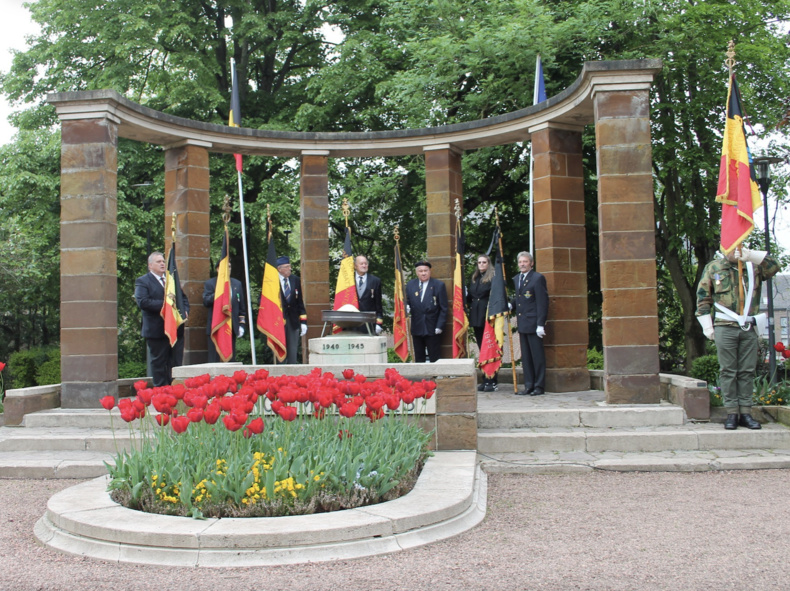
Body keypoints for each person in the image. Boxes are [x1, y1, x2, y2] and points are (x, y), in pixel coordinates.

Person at [696, 246, 781, 430]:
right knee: (728, 371)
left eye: (739, 245)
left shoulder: (753, 267)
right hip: (725, 327)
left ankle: (746, 413)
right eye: (731, 246)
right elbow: (703, 298)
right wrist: (707, 326)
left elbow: (775, 266)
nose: (735, 249)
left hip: (748, 326)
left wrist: (751, 256)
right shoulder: (714, 268)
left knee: (747, 371)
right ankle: (732, 413)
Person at [134, 251, 190, 387]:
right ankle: (161, 393)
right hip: (157, 330)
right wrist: (166, 305)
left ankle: (175, 391)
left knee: (175, 362)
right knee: (159, 363)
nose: (162, 264)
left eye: (163, 261)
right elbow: (143, 302)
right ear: (150, 265)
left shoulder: (171, 280)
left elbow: (183, 299)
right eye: (158, 262)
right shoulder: (143, 281)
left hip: (175, 329)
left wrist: (185, 310)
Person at [510, 251, 548, 396]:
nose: (522, 264)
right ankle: (529, 385)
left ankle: (538, 386)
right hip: (523, 323)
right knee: (526, 357)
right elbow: (520, 298)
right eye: (520, 262)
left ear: (531, 263)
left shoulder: (537, 278)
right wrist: (510, 305)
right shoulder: (517, 278)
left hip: (533, 323)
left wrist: (540, 324)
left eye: (525, 262)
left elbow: (542, 302)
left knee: (537, 356)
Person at [202, 262, 247, 362]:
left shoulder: (236, 284)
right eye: (225, 267)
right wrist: (219, 293)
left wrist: (241, 325)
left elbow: (241, 308)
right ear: (218, 269)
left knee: (230, 359)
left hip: (231, 326)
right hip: (216, 328)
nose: (228, 269)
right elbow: (206, 301)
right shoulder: (210, 283)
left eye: (230, 267)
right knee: (215, 360)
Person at [405, 261, 448, 362]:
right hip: (417, 325)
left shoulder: (438, 285)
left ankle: (435, 376)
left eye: (425, 271)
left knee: (434, 355)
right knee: (419, 356)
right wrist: (406, 306)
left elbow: (444, 308)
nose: (423, 273)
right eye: (420, 271)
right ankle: (421, 377)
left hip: (432, 326)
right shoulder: (411, 285)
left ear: (430, 271)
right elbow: (407, 301)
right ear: (417, 272)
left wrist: (439, 326)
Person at [468, 254, 498, 391]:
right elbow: (470, 297)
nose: (481, 264)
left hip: (487, 316)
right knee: (482, 349)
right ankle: (484, 378)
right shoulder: (475, 278)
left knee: (490, 348)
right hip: (476, 316)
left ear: (489, 263)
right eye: (479, 262)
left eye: (484, 262)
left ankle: (492, 380)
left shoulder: (493, 277)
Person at [277, 256, 307, 364]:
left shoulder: (295, 280)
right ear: (279, 269)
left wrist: (303, 322)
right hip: (278, 321)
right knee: (279, 351)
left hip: (293, 320)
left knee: (293, 351)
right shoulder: (272, 281)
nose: (290, 269)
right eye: (287, 267)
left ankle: (292, 377)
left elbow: (300, 302)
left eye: (290, 266)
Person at [354, 255, 384, 335]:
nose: (364, 265)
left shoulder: (375, 281)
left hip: (369, 323)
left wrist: (379, 323)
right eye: (361, 264)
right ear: (355, 266)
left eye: (366, 263)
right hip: (351, 323)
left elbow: (378, 304)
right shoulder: (349, 281)